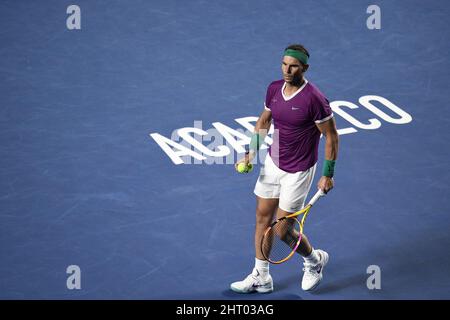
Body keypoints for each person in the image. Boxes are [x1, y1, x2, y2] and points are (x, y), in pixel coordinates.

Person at [230, 44, 339, 293]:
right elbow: (265, 120)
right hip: (274, 161)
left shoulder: (315, 99)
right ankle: (261, 276)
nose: (287, 70)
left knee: (281, 230)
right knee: (262, 218)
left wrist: (328, 173)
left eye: (294, 66)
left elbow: (332, 137)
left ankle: (314, 261)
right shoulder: (273, 89)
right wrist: (251, 151)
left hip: (299, 170)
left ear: (305, 68)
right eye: (284, 64)